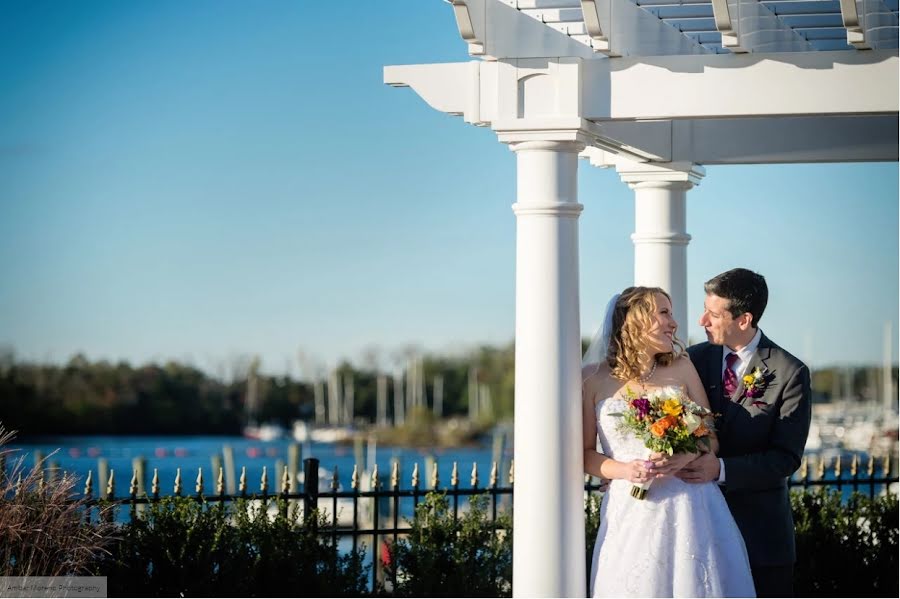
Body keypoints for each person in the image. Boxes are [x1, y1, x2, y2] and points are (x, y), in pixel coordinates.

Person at [583, 286, 755, 598]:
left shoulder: (682, 366)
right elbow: (584, 455)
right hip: (632, 507)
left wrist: (686, 456)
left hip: (692, 503)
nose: (673, 323)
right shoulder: (592, 379)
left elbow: (710, 438)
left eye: (671, 313)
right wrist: (625, 470)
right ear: (635, 320)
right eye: (664, 312)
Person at [678, 268, 812, 598]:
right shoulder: (690, 361)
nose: (701, 321)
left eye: (712, 313)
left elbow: (785, 458)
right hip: (696, 531)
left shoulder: (789, 372)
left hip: (760, 540)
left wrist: (720, 470)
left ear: (744, 319)